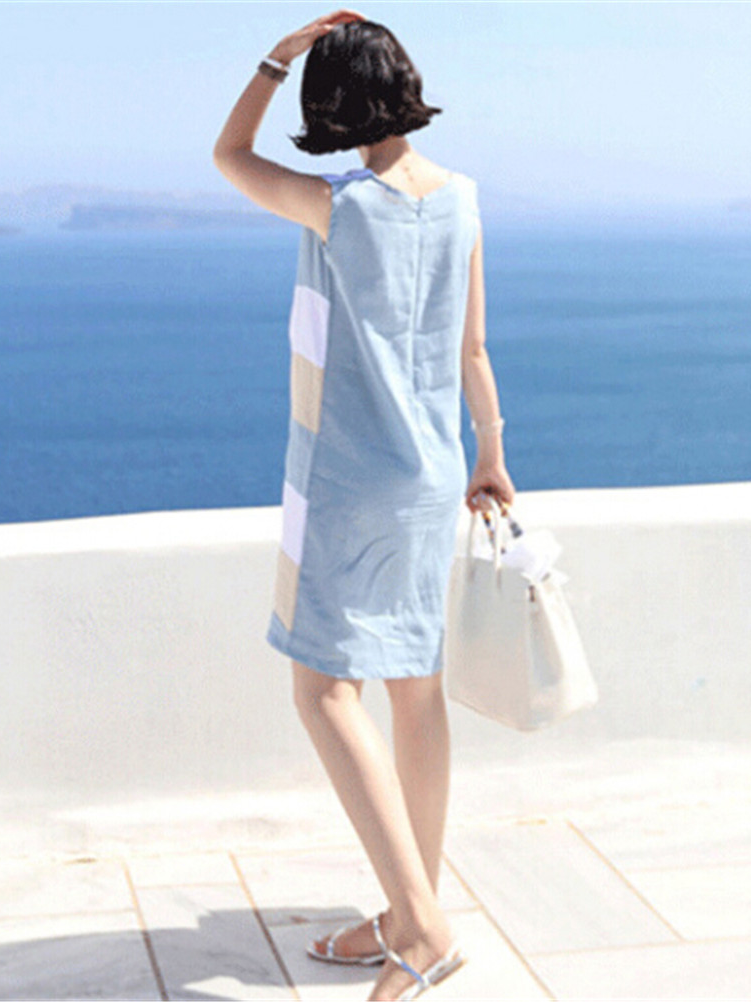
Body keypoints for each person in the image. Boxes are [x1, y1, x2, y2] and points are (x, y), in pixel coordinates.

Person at [214, 11, 515, 1001]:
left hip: (347, 480)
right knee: (415, 690)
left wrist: (277, 56)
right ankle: (405, 910)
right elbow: (473, 349)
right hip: (433, 475)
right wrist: (491, 454)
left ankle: (421, 928)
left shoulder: (337, 207)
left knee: (323, 691)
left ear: (332, 103)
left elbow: (227, 155)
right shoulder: (463, 199)